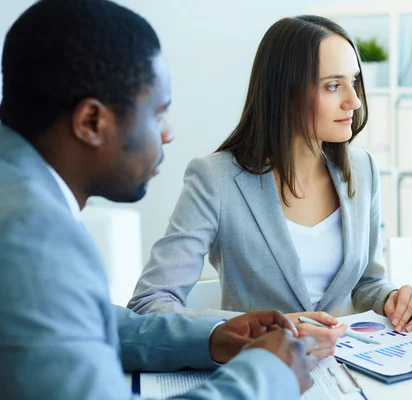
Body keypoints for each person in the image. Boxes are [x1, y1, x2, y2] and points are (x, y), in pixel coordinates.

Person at [0, 1, 317, 399]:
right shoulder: (32, 234)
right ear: (91, 123)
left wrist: (213, 337)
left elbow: (75, 325)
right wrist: (270, 375)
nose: (167, 133)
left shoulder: (17, 189)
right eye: (157, 114)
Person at [128, 15, 412, 349]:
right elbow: (149, 305)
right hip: (259, 372)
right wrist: (261, 330)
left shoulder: (363, 169)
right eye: (333, 86)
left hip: (345, 370)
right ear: (284, 92)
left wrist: (393, 298)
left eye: (355, 82)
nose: (354, 101)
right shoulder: (215, 179)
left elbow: (366, 282)